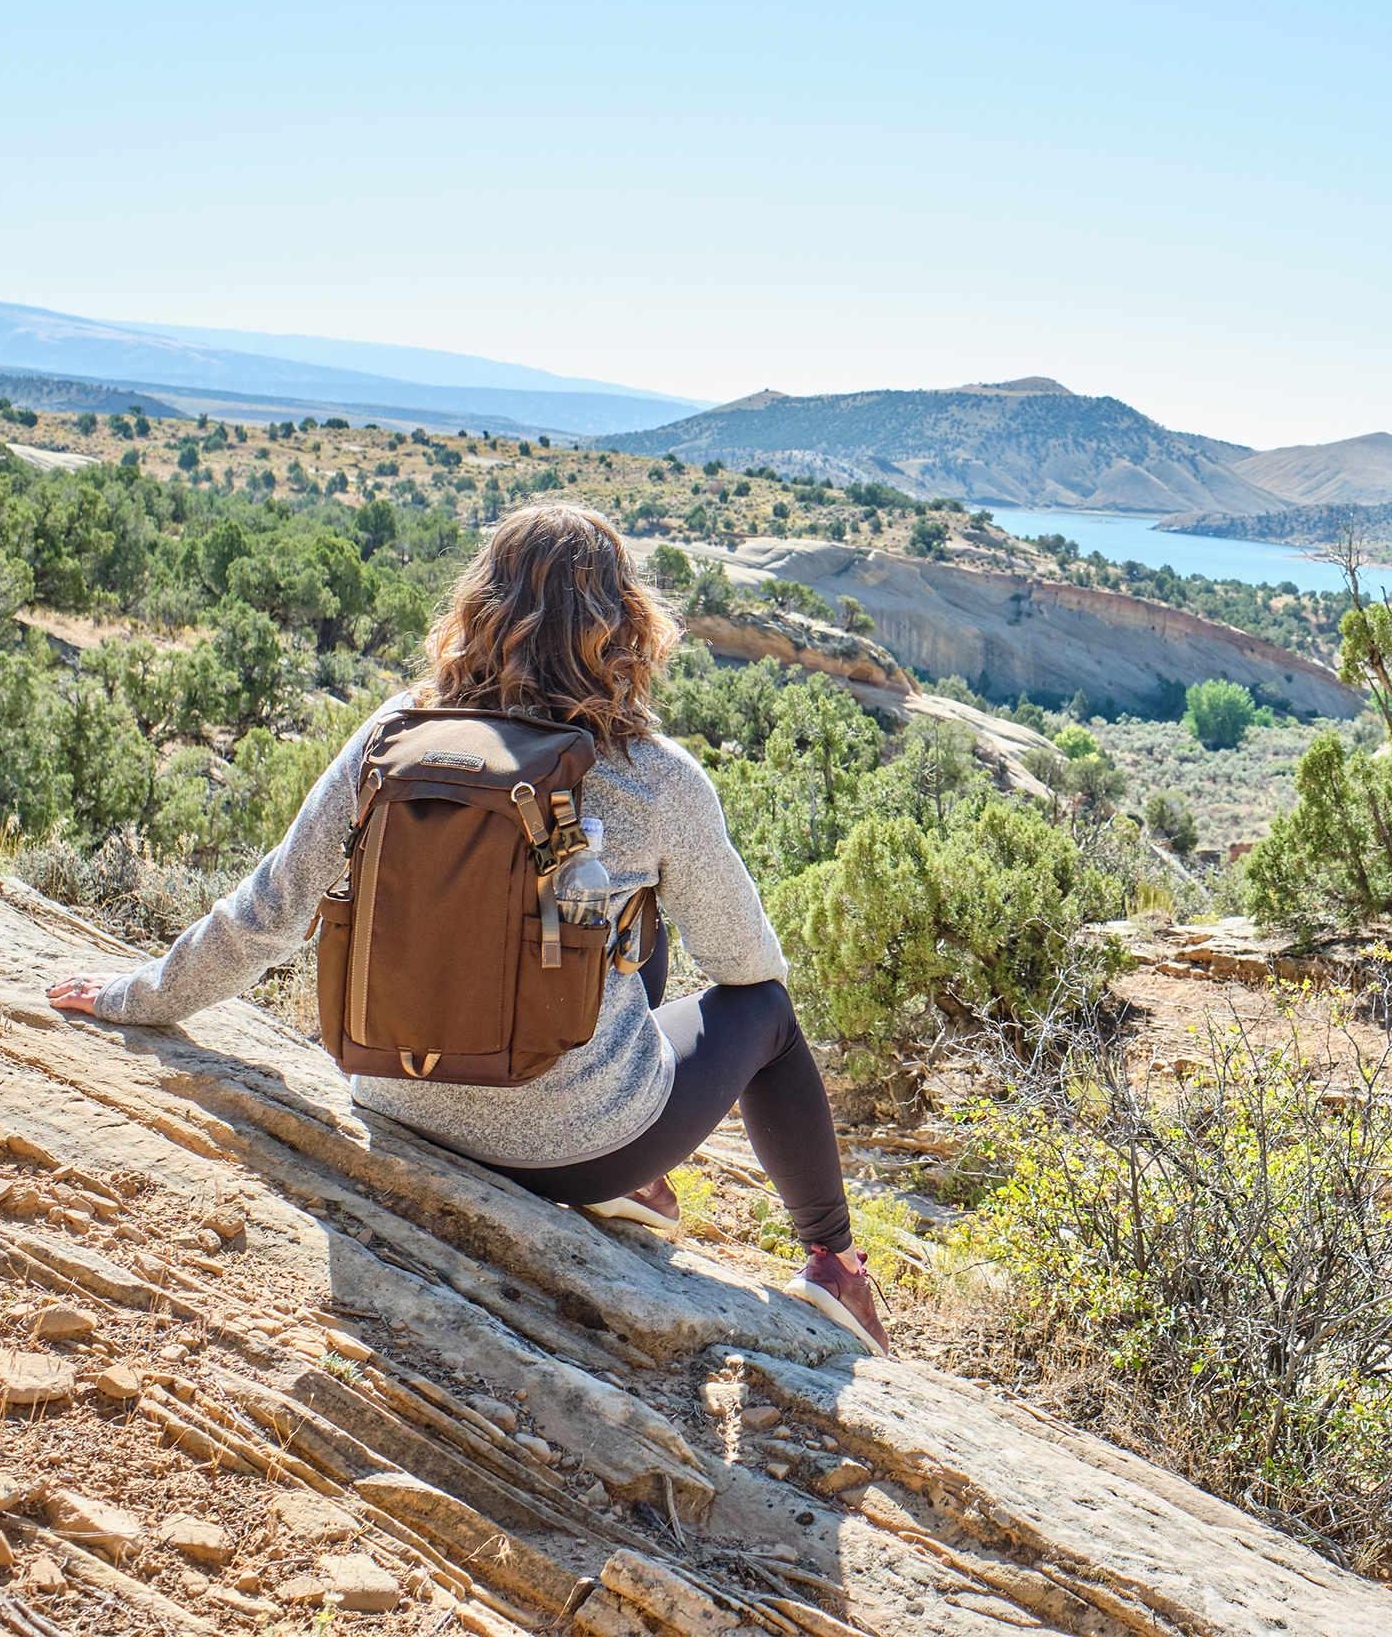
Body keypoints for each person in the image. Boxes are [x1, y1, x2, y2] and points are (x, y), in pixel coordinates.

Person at [45, 503, 888, 1356]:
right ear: (626, 625)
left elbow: (272, 909)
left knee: (624, 919)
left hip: (393, 1095)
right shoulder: (653, 777)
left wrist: (137, 996)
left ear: (480, 609)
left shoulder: (393, 737)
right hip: (581, 1151)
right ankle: (834, 1264)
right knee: (765, 1015)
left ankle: (640, 1177)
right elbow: (746, 965)